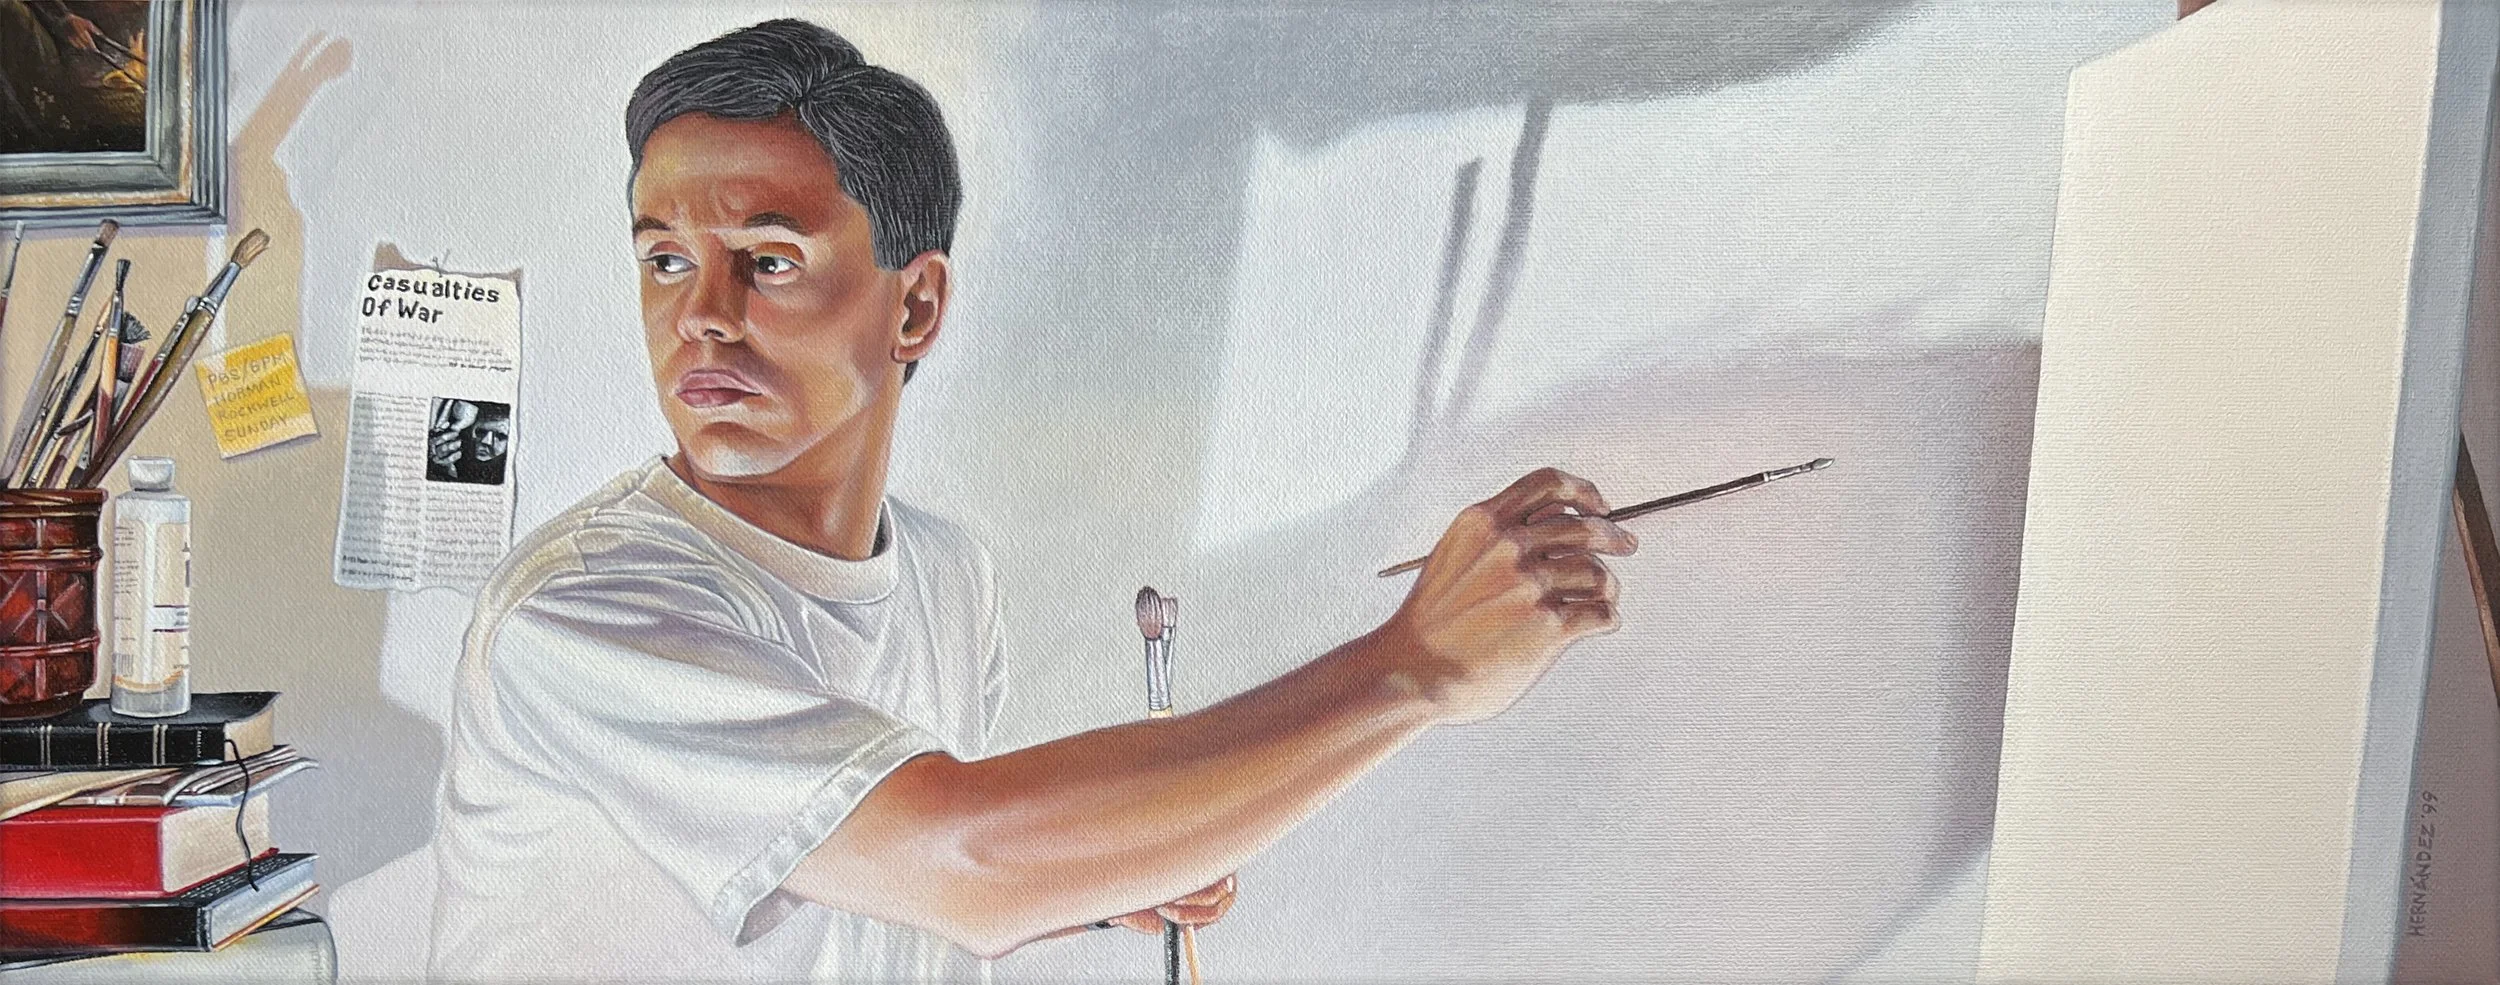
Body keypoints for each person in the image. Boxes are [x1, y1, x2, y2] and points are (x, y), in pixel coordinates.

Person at [428, 18, 1635, 983]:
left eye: (769, 259)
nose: (700, 313)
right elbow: (963, 860)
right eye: (664, 259)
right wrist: (1413, 664)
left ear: (915, 306)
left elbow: (883, 882)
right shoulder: (582, 612)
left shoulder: (946, 577)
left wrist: (1104, 882)